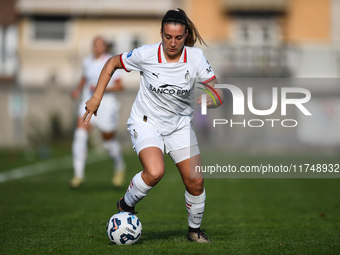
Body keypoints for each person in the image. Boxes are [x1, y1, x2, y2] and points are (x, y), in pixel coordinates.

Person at [82, 9, 224, 243]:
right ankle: (125, 204)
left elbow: (218, 92)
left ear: (185, 34)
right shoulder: (145, 54)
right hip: (146, 122)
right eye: (168, 37)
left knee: (196, 182)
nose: (173, 42)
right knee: (155, 171)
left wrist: (212, 100)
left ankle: (194, 231)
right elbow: (111, 63)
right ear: (161, 33)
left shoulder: (195, 57)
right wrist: (97, 97)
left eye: (178, 38)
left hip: (179, 127)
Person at [69, 36, 126, 189]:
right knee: (80, 135)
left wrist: (100, 89)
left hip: (107, 106)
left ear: (105, 47)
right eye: (95, 44)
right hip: (88, 103)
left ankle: (119, 167)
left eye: (100, 45)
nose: (97, 47)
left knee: (108, 142)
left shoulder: (111, 61)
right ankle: (78, 175)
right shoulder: (87, 61)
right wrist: (77, 89)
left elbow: (120, 86)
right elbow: (84, 78)